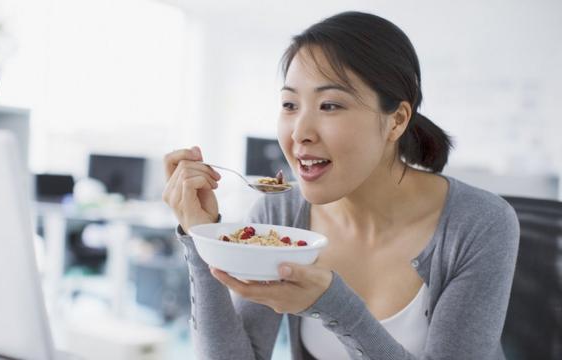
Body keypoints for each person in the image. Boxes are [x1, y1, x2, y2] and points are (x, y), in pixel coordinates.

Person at [162, 11, 519, 360]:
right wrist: (201, 237)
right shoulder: (282, 214)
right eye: (289, 104)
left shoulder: (480, 223)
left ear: (396, 121)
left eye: (330, 105)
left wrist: (334, 307)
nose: (300, 132)